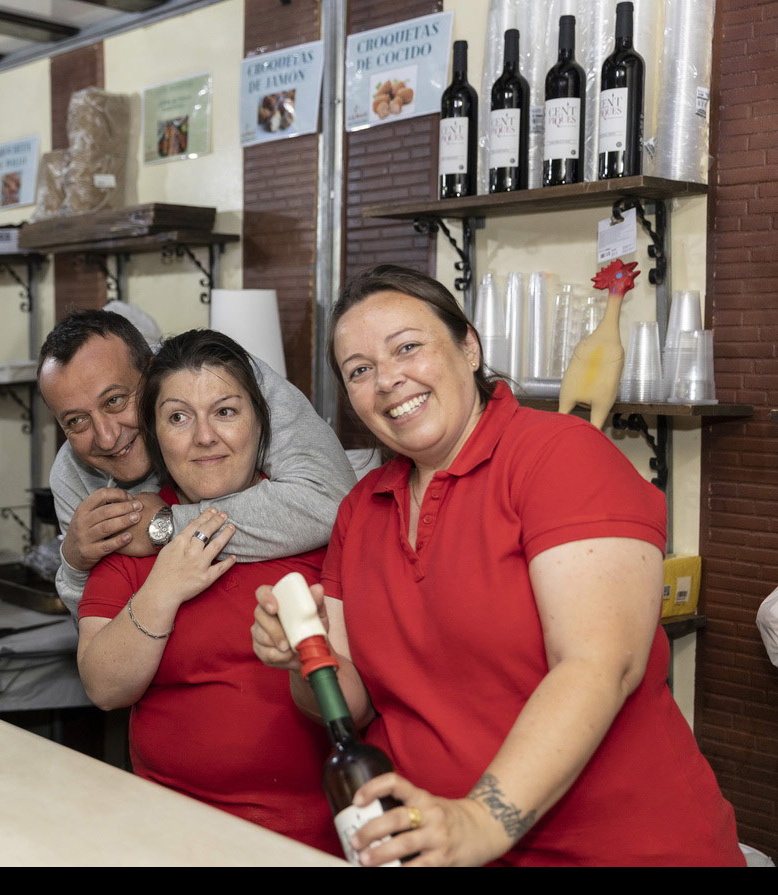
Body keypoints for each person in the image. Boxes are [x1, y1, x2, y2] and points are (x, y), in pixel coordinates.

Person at [252, 265, 743, 866]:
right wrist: (303, 657)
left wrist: (481, 819)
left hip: (621, 851)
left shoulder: (559, 455)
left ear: (469, 347)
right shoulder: (362, 507)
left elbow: (599, 663)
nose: (387, 380)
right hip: (441, 846)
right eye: (359, 370)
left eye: (407, 347)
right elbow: (351, 704)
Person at [77, 329, 341, 855]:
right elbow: (104, 687)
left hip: (308, 840)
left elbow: (361, 702)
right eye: (178, 417)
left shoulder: (321, 530)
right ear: (155, 436)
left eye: (225, 412)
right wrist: (163, 587)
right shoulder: (138, 533)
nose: (204, 437)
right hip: (165, 835)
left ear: (260, 422)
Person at [37, 309, 355, 617]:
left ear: (151, 374)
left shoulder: (219, 376)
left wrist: (165, 527)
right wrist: (74, 566)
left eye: (115, 400)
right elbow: (98, 629)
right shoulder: (73, 475)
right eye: (76, 420)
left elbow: (329, 501)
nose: (106, 438)